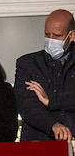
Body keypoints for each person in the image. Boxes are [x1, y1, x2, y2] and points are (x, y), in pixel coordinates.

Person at [14, 9, 75, 142]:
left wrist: (50, 101)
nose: (51, 40)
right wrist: (52, 125)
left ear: (72, 35)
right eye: (47, 34)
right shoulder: (28, 63)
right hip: (39, 144)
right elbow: (26, 105)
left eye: (57, 35)